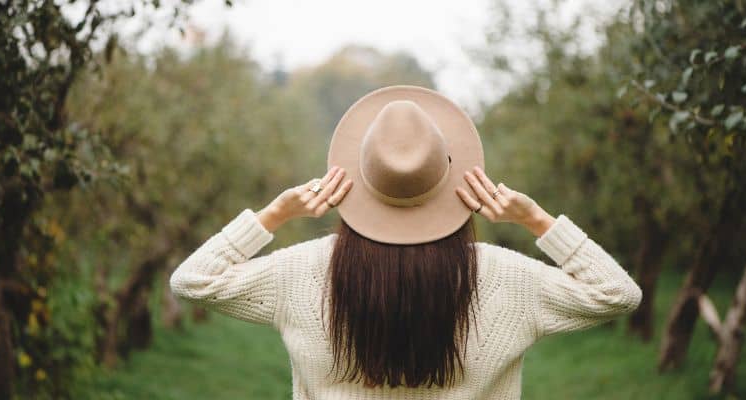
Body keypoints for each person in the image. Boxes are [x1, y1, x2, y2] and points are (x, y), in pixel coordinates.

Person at [170, 85, 642, 399]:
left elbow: (193, 281)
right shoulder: (505, 277)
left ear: (357, 181)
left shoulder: (303, 272)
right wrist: (538, 221)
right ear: (453, 178)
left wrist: (276, 213)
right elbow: (617, 293)